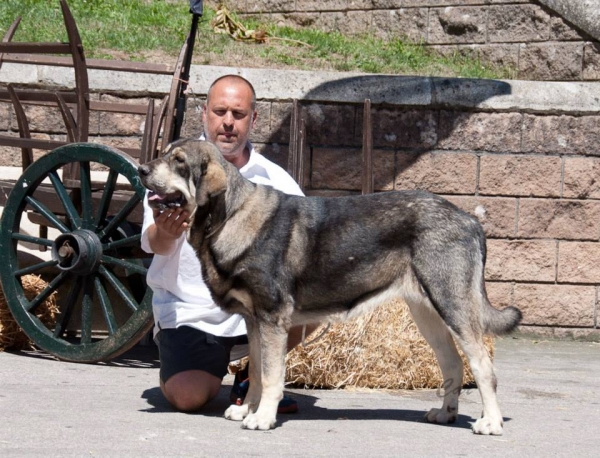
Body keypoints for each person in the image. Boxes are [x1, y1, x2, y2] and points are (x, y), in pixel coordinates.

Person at [141, 74, 316, 413]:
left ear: (254, 119)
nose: (228, 123)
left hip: (256, 310)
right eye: (220, 111)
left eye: (238, 114)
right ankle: (203, 365)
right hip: (193, 314)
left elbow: (308, 248)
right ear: (204, 112)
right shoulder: (175, 168)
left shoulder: (275, 179)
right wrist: (167, 231)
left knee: (317, 297)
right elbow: (154, 245)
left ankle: (253, 378)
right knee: (188, 397)